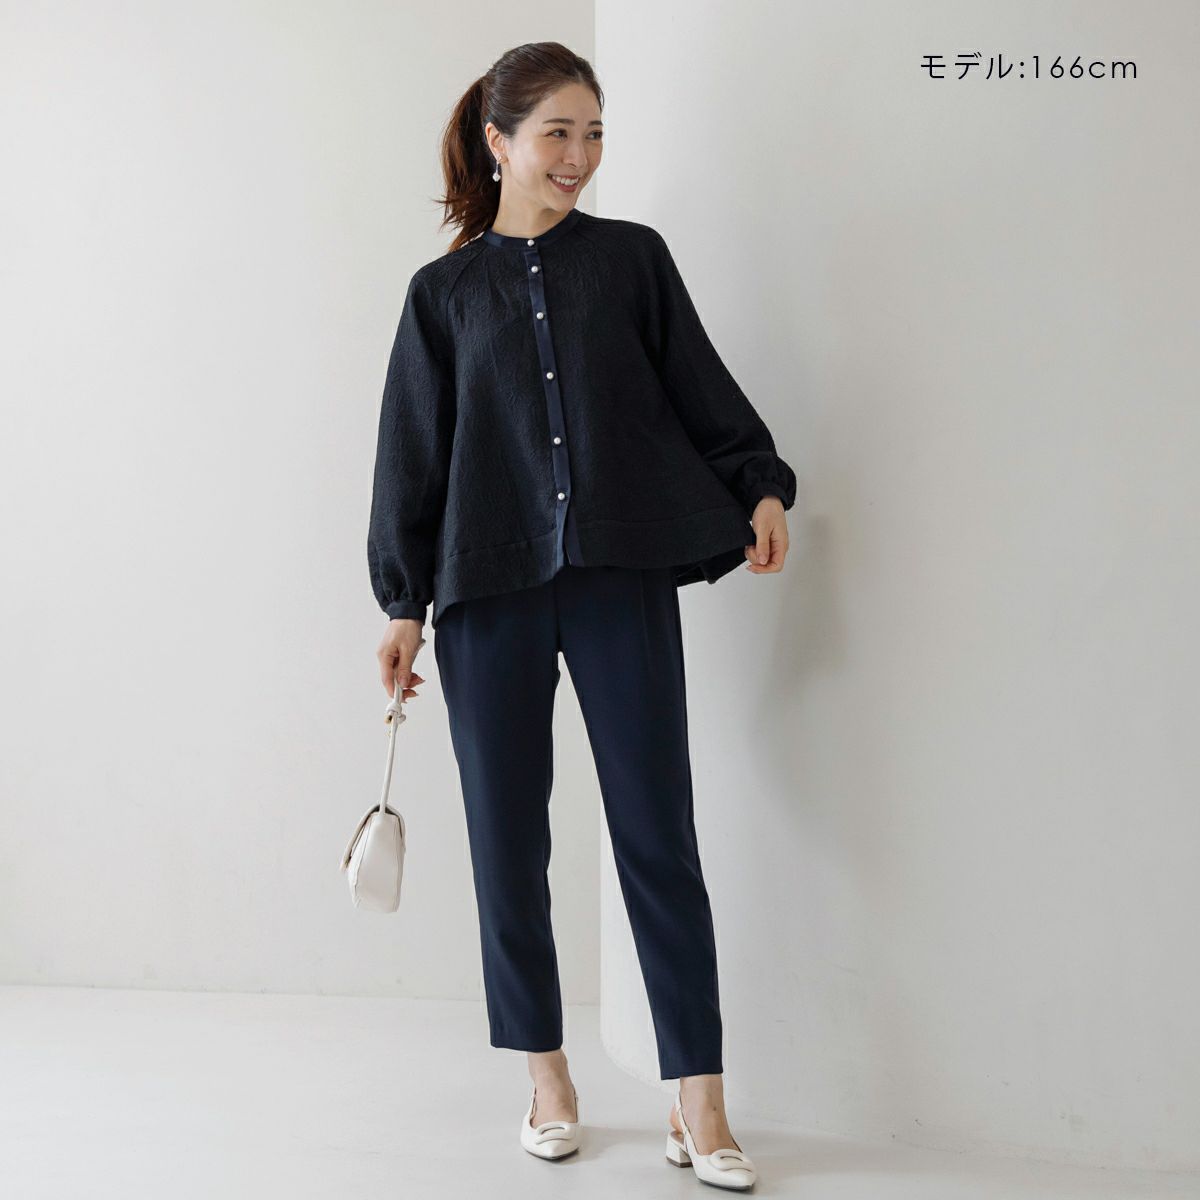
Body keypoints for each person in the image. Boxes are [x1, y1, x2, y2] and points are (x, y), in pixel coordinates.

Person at [367, 40, 795, 1190]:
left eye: (593, 132)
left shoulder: (632, 261)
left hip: (619, 576)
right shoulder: (443, 296)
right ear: (498, 142)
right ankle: (546, 1076)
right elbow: (412, 456)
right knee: (509, 842)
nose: (579, 154)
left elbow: (700, 388)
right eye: (556, 132)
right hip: (486, 591)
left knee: (658, 833)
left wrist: (759, 484)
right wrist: (402, 605)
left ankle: (698, 1100)